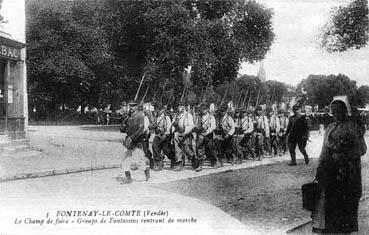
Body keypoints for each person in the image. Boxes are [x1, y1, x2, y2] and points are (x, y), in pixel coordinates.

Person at [312, 96, 367, 234]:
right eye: (333, 111)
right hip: (330, 171)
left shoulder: (353, 127)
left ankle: (344, 229)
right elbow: (324, 151)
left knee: (346, 201)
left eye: (338, 111)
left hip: (348, 172)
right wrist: (320, 167)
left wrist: (343, 154)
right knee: (329, 200)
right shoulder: (329, 128)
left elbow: (362, 149)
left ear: (345, 111)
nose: (335, 114)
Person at [121, 100, 150, 184]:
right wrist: (123, 126)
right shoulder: (128, 116)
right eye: (130, 106)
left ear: (136, 107)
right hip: (129, 141)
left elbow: (140, 129)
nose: (131, 108)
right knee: (125, 160)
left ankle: (146, 171)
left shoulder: (139, 116)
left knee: (138, 161)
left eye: (133, 106)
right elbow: (124, 129)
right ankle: (128, 177)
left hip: (136, 141)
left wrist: (132, 138)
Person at [172, 101, 195, 171]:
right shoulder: (176, 115)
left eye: (181, 106)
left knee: (187, 150)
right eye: (178, 106)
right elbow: (173, 124)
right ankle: (179, 164)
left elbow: (191, 125)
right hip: (177, 134)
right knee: (177, 149)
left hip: (185, 134)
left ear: (184, 107)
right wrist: (173, 130)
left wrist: (185, 132)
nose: (179, 108)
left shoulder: (188, 115)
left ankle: (196, 163)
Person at [193, 102, 217, 171]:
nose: (203, 110)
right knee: (199, 149)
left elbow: (213, 127)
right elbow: (196, 124)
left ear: (207, 109)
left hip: (208, 135)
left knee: (210, 149)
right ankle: (200, 165)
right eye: (202, 109)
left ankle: (214, 161)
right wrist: (197, 128)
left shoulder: (211, 117)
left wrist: (206, 132)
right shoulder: (199, 116)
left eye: (204, 109)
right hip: (200, 134)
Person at [152, 103, 172, 171]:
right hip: (158, 135)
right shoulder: (156, 117)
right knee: (154, 146)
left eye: (158, 109)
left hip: (165, 136)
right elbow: (154, 125)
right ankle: (158, 163)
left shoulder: (167, 118)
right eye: (156, 109)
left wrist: (165, 135)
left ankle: (173, 159)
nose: (157, 110)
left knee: (166, 150)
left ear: (162, 110)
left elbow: (168, 128)